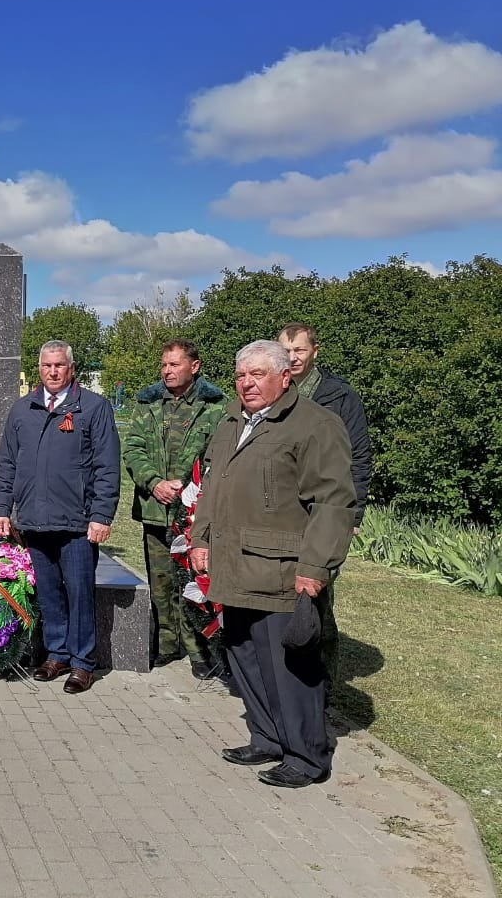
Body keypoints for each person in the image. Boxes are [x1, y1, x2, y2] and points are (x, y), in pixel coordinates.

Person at [191, 340, 355, 788]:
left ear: (285, 377)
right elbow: (211, 485)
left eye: (258, 374)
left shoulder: (315, 425)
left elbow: (333, 502)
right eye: (241, 374)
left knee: (290, 665)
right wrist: (200, 538)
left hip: (283, 570)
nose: (247, 383)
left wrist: (315, 567)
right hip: (232, 564)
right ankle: (266, 737)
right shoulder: (231, 422)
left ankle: (306, 756)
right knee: (244, 655)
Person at [0, 340, 120, 695]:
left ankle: (82, 663)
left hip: (77, 523)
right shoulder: (22, 409)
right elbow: (7, 463)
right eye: (47, 366)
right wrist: (2, 509)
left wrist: (101, 514)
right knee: (49, 592)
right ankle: (57, 653)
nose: (53, 371)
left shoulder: (93, 408)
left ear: (71, 368)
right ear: (39, 369)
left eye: (59, 365)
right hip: (35, 519)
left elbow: (106, 467)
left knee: (79, 593)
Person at [277, 322, 373, 704]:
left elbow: (359, 461)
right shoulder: (276, 390)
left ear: (315, 351)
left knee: (316, 600)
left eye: (299, 350)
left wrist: (351, 516)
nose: (293, 358)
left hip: (324, 512)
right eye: (286, 351)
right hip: (283, 512)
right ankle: (284, 685)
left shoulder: (339, 396)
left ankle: (323, 694)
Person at [121, 339, 226, 677]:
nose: (167, 371)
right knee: (161, 580)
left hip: (197, 512)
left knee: (196, 579)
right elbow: (133, 448)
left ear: (194, 366)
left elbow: (220, 457)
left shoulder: (216, 405)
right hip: (156, 507)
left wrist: (191, 489)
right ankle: (167, 643)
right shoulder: (148, 402)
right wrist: (154, 483)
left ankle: (200, 650)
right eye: (164, 365)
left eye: (174, 365)